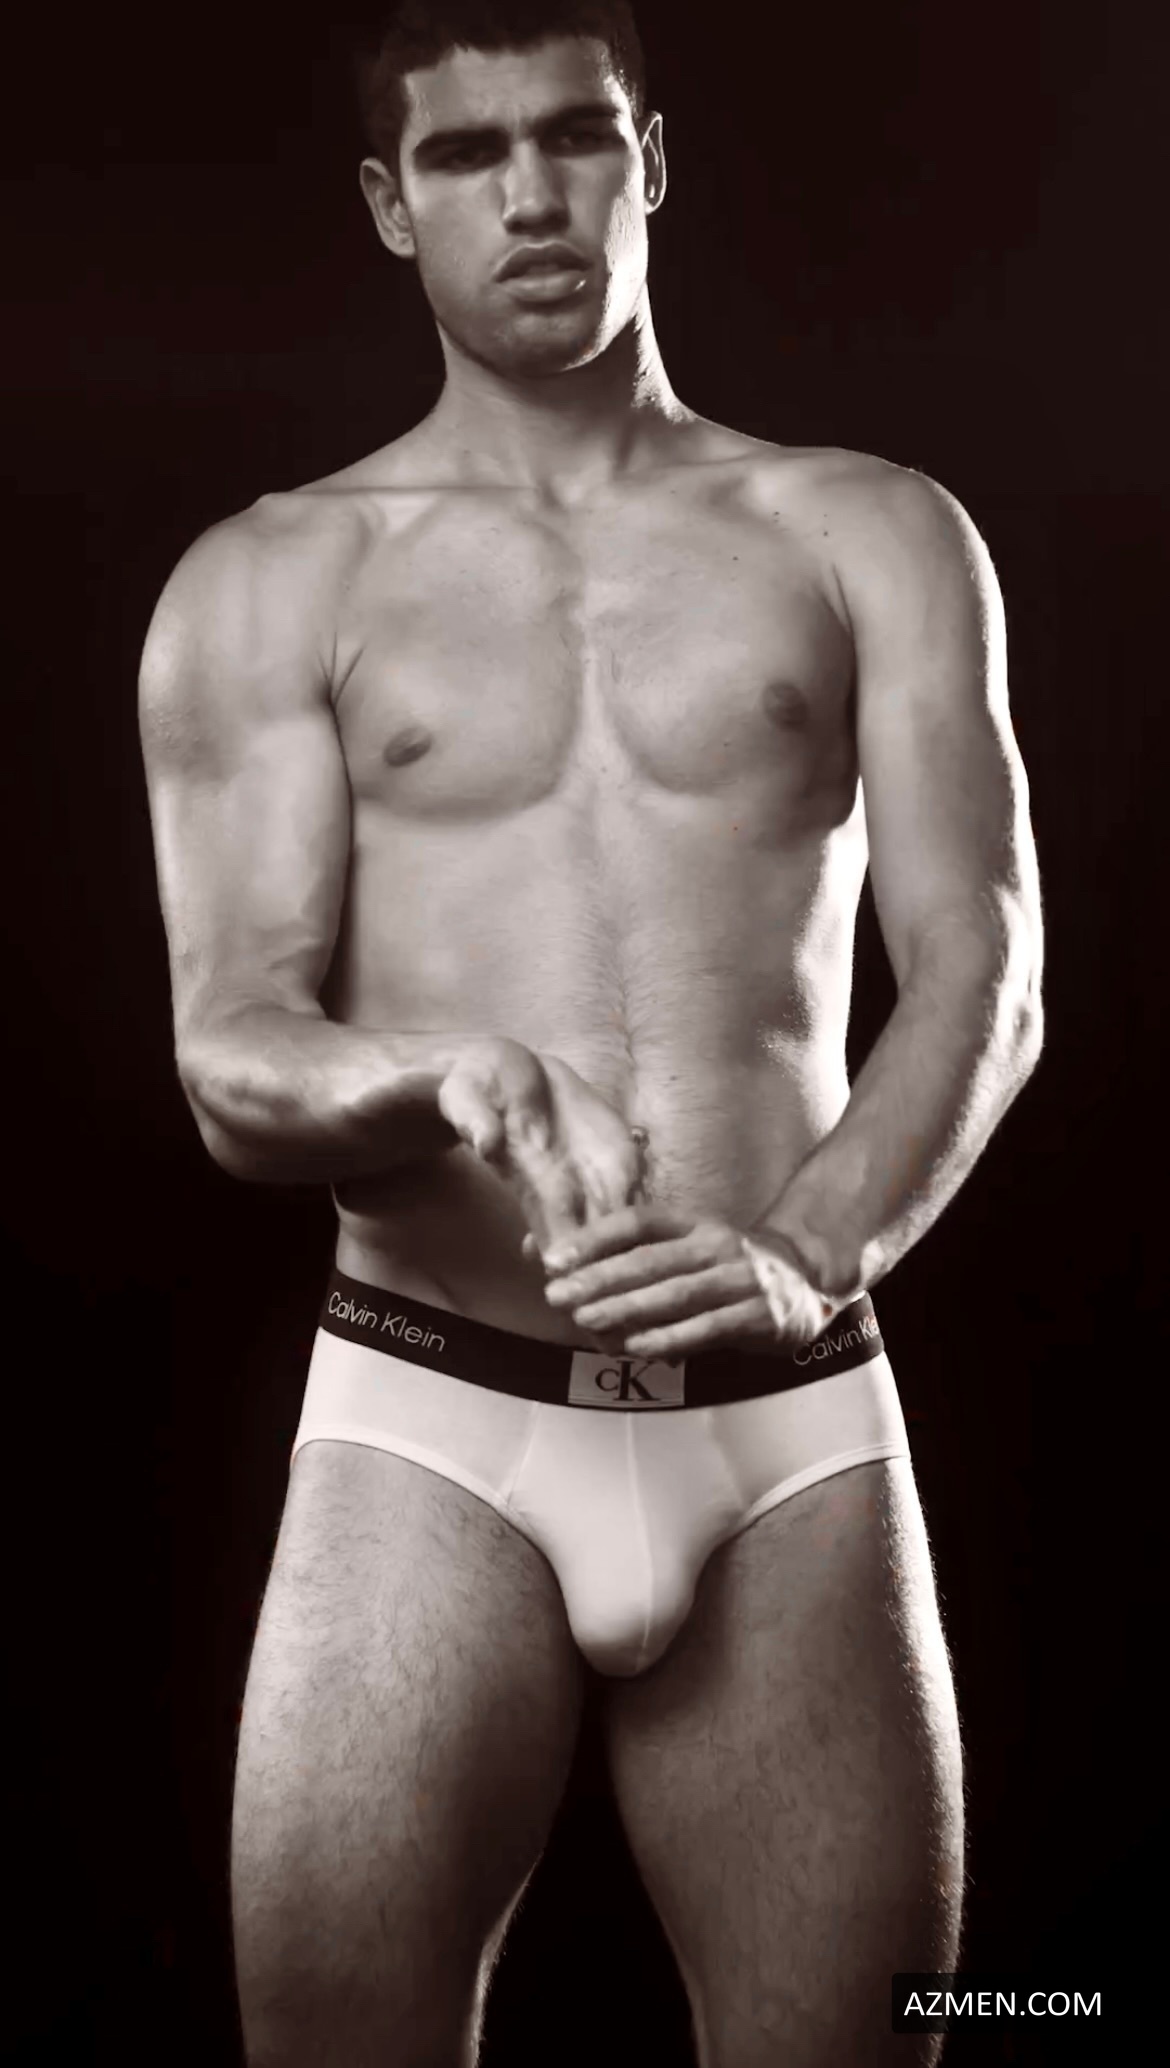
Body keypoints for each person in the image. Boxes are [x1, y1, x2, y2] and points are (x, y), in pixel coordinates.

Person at [137, 3, 1045, 2062]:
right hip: (435, 1410)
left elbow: (985, 965)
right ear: (391, 205)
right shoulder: (274, 579)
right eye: (466, 155)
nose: (532, 195)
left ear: (654, 163)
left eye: (575, 137)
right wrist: (451, 1069)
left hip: (785, 1416)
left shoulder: (871, 529)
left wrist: (811, 1242)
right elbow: (231, 1051)